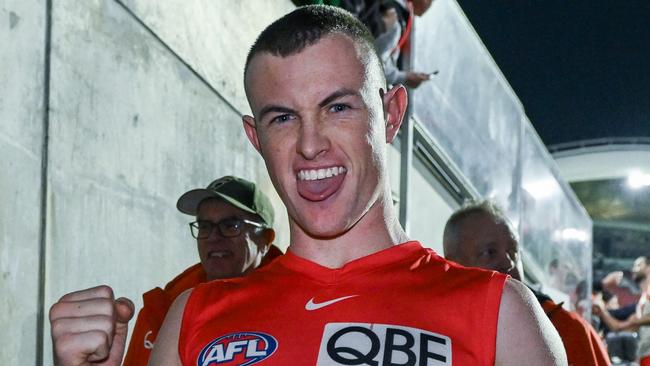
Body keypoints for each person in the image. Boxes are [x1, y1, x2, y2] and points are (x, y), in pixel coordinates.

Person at [51, 6, 566, 366]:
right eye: (282, 119)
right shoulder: (193, 316)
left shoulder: (501, 314)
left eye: (337, 107)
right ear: (255, 137)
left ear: (390, 114)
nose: (309, 145)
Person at [51, 176, 281, 366]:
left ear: (265, 240)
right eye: (205, 226)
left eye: (231, 226)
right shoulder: (162, 311)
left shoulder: (295, 306)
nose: (214, 237)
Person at [443, 201, 610, 366]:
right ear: (453, 265)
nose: (508, 263)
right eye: (489, 252)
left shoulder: (568, 329)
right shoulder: (431, 331)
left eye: (513, 251)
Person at [594, 260, 650, 365]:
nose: (634, 269)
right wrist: (602, 310)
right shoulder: (642, 301)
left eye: (638, 265)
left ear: (648, 267)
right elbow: (618, 327)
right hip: (644, 354)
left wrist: (637, 321)